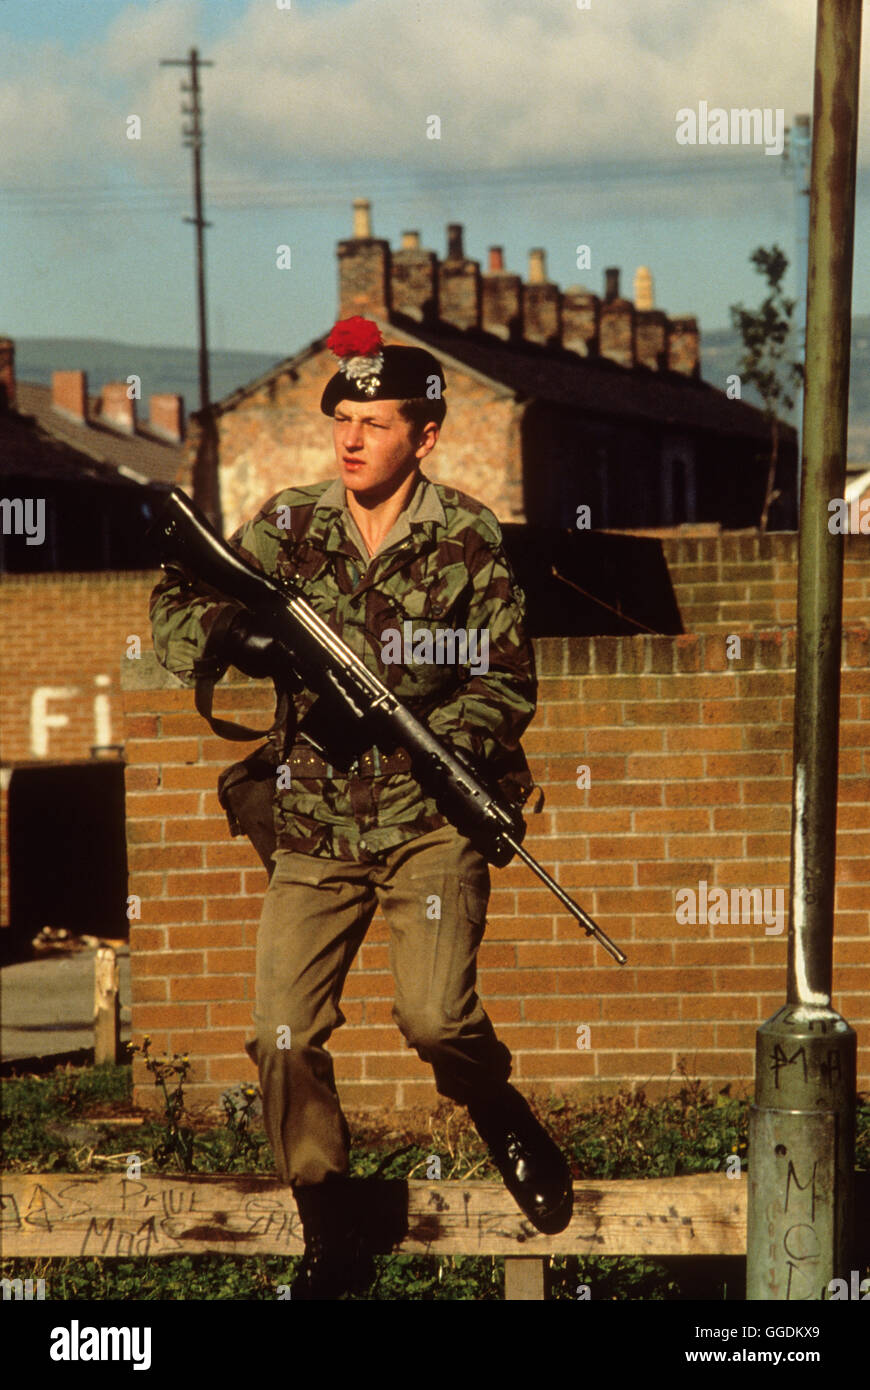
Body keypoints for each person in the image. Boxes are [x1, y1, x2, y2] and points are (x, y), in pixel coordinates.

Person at [149, 316, 573, 1299]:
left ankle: (492, 1097)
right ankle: (328, 1223)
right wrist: (236, 641)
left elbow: (507, 680)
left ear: (425, 436)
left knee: (434, 1017)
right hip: (316, 823)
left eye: (375, 422)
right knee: (280, 1031)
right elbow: (175, 595)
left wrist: (450, 741)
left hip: (429, 820)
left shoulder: (466, 535)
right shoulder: (288, 527)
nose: (350, 438)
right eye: (342, 417)